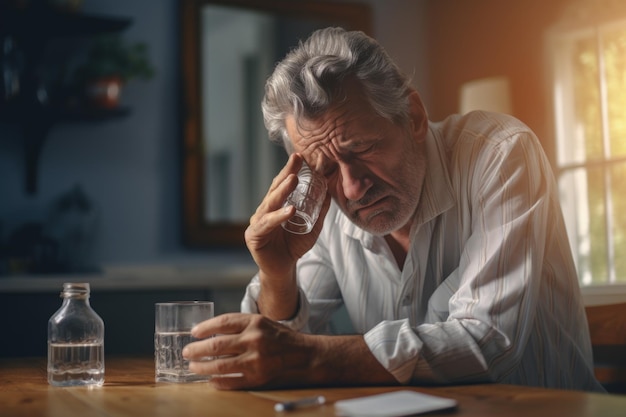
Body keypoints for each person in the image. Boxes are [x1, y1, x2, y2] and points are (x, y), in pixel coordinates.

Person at [182, 27, 604, 392]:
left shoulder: (499, 154)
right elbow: (281, 353)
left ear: (414, 117)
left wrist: (309, 358)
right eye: (325, 168)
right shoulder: (324, 205)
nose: (351, 187)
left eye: (363, 149)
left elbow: (488, 343)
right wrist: (277, 274)